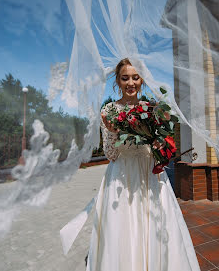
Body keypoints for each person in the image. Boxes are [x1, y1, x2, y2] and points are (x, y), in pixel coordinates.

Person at [86, 58, 200, 271]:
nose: (131, 82)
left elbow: (161, 148)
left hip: (150, 174)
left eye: (135, 77)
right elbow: (110, 155)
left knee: (156, 225)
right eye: (125, 78)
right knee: (122, 229)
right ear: (118, 82)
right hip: (122, 175)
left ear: (142, 80)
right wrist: (112, 131)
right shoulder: (109, 110)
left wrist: (160, 144)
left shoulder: (153, 108)